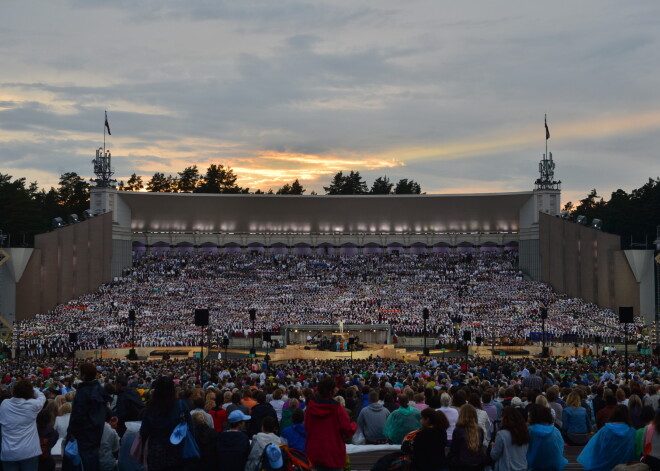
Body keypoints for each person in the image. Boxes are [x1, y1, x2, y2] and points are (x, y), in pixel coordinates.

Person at [140, 376, 192, 471]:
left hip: (156, 452)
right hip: (177, 450)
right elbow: (191, 428)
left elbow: (143, 432)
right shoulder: (180, 405)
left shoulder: (150, 408)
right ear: (172, 390)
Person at [305, 377, 356, 471]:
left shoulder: (310, 407)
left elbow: (307, 426)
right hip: (333, 454)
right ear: (332, 392)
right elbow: (348, 430)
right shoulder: (338, 409)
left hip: (315, 451)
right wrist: (354, 424)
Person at [67, 363, 112, 471]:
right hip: (97, 429)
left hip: (85, 433)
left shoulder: (83, 391)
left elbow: (78, 415)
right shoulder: (98, 388)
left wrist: (73, 432)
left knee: (84, 461)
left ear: (83, 375)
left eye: (79, 371)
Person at [0, 379, 47, 471]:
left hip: (8, 452)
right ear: (30, 393)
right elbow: (42, 397)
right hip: (28, 452)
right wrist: (34, 389)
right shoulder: (33, 405)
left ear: (14, 391)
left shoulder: (4, 404)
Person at [577, 405, 636, 471]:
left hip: (604, 466)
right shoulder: (632, 432)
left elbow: (595, 448)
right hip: (625, 467)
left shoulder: (605, 430)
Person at [527, 404, 567, 471]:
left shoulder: (529, 431)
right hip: (555, 466)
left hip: (534, 466)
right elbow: (561, 448)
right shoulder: (555, 430)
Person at [448, 404, 488, 471]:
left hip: (462, 464)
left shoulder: (458, 430)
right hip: (478, 464)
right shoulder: (479, 430)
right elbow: (480, 446)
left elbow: (454, 450)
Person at [490, 406, 529, 471]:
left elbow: (494, 455)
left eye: (502, 417)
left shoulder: (501, 434)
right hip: (523, 467)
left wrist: (493, 446)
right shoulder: (525, 432)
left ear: (505, 419)